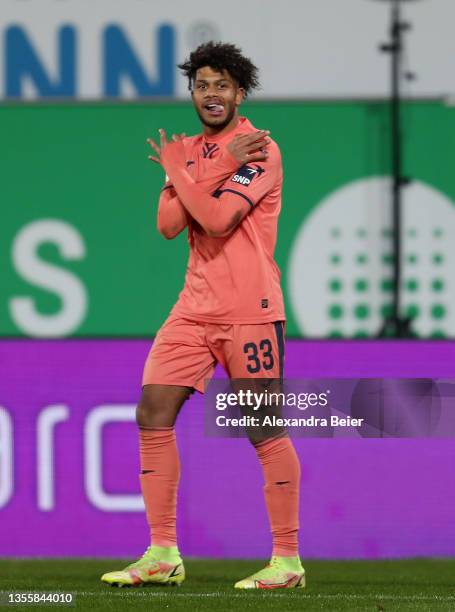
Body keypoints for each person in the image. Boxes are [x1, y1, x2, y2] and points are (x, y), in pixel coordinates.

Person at [101, 41, 305, 590]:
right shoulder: (187, 150)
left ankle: (287, 561)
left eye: (221, 85)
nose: (210, 94)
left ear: (241, 93)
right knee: (152, 412)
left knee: (262, 427)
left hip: (250, 309)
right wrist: (193, 168)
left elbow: (214, 221)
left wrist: (200, 170)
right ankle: (162, 552)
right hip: (193, 308)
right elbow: (168, 224)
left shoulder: (259, 148)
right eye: (201, 85)